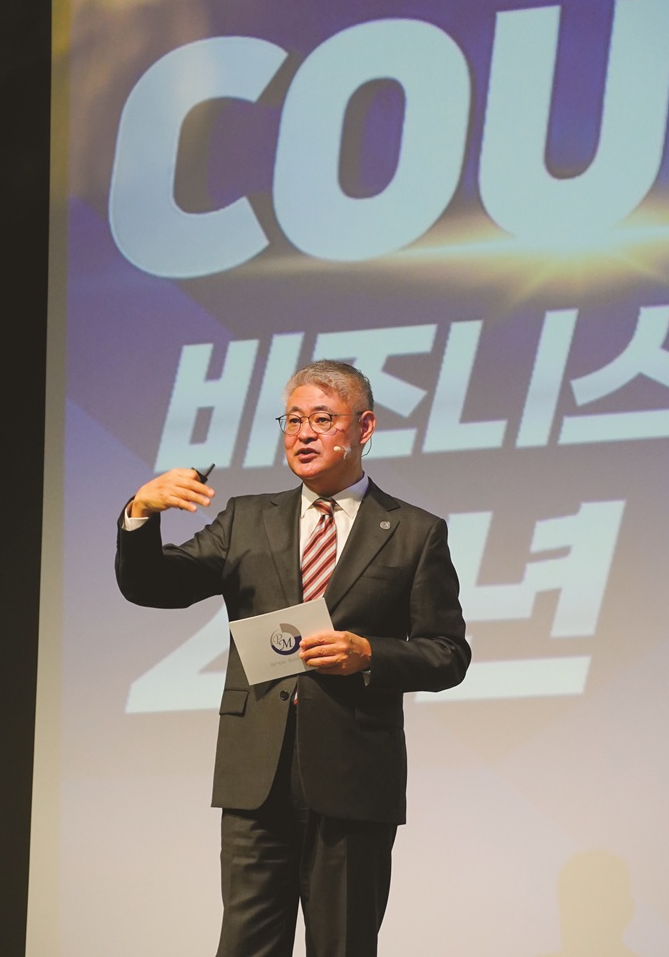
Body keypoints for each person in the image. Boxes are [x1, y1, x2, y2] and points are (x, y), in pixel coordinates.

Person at [116, 359, 470, 957]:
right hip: (257, 774)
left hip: (354, 778)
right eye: (294, 420)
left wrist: (369, 654)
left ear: (364, 428)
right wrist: (140, 513)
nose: (304, 434)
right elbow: (155, 585)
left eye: (323, 420)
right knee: (246, 945)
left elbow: (448, 653)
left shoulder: (414, 532)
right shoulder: (246, 519)